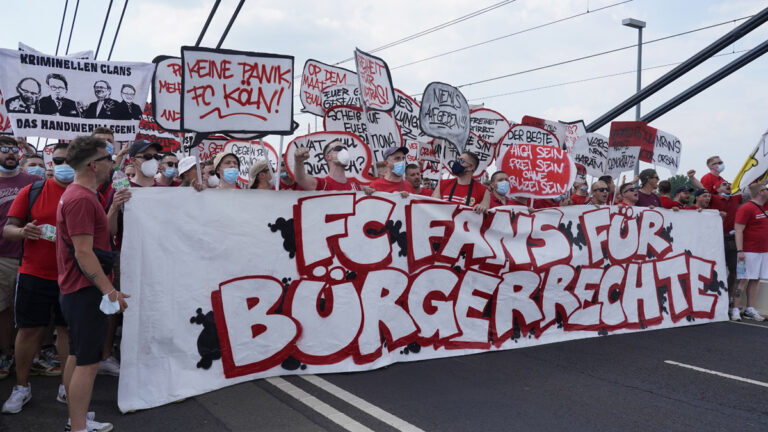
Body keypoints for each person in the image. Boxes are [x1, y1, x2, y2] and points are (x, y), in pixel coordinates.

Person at [57, 135, 127, 432]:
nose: (113, 163)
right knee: (88, 363)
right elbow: (84, 253)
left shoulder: (83, 195)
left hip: (79, 291)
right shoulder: (81, 199)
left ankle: (77, 420)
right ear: (94, 165)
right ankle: (78, 428)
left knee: (77, 355)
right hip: (86, 292)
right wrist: (109, 291)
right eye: (109, 158)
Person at [1, 142, 72, 413]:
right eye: (58, 160)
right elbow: (9, 229)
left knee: (66, 331)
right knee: (29, 330)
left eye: (68, 160)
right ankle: (22, 387)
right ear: (51, 162)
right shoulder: (32, 191)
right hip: (34, 273)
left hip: (72, 276)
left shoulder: (87, 193)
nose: (63, 165)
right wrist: (23, 232)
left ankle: (67, 387)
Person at [0, 137, 39, 380]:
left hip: (30, 256)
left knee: (27, 310)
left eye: (14, 150)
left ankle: (27, 355)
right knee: (3, 309)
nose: (10, 154)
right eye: (4, 150)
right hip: (3, 256)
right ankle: (6, 352)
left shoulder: (33, 181)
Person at [733, 182, 768, 321]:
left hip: (763, 250)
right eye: (766, 189)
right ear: (760, 192)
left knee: (756, 279)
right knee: (742, 279)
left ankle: (750, 308)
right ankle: (735, 308)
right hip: (749, 250)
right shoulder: (746, 208)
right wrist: (740, 250)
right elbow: (738, 230)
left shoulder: (764, 207)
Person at [709, 180, 743, 318]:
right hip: (717, 240)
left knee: (735, 271)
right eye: (723, 184)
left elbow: (750, 188)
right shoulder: (713, 198)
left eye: (729, 184)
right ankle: (716, 299)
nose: (727, 185)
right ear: (716, 190)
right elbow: (700, 189)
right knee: (715, 271)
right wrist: (692, 178)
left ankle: (728, 298)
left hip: (733, 240)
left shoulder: (736, 198)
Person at [293, 140, 363, 191]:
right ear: (328, 157)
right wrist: (298, 161)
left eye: (345, 149)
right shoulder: (322, 184)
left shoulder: (355, 186)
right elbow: (301, 178)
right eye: (338, 148)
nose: (344, 151)